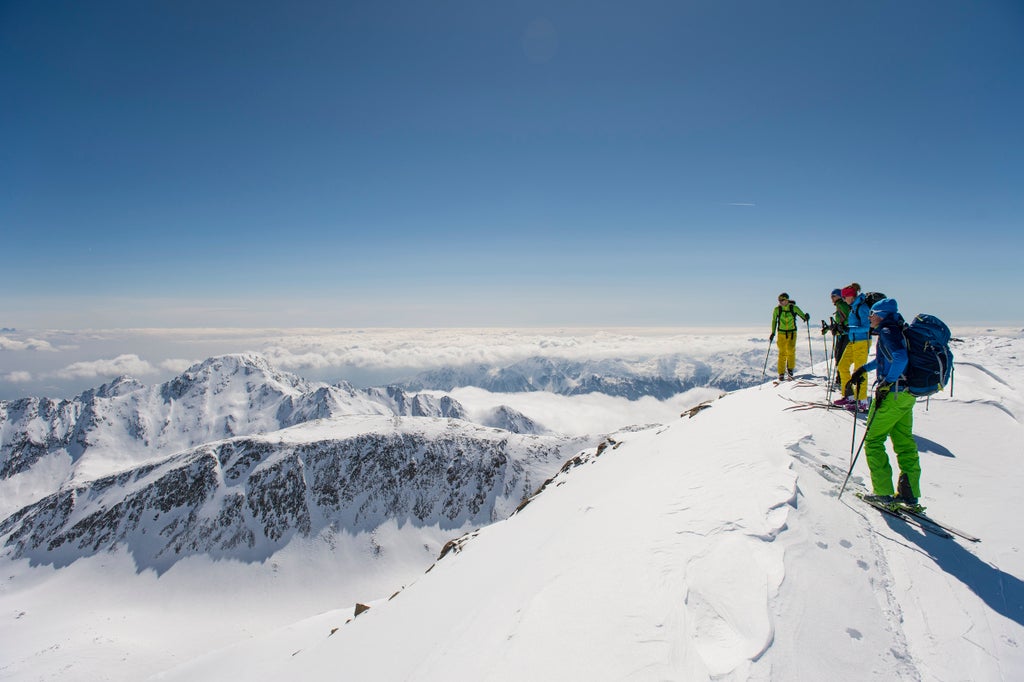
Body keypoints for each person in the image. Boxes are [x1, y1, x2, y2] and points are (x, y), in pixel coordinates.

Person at [849, 298, 921, 507]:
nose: (869, 317)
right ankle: (910, 493)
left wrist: (886, 384)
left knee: (873, 440)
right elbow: (883, 360)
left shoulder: (888, 332)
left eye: (872, 314)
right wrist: (863, 369)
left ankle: (882, 491)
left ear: (880, 314)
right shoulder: (897, 329)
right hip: (906, 396)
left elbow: (899, 359)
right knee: (904, 443)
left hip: (893, 395)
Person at [834, 286, 871, 410]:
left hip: (862, 342)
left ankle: (862, 401)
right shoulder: (854, 308)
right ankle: (849, 396)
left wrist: (849, 329)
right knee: (842, 366)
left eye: (845, 297)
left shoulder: (862, 307)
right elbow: (852, 327)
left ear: (851, 295)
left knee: (859, 371)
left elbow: (867, 327)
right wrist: (841, 330)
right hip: (853, 341)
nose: (844, 300)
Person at [770, 292, 810, 382]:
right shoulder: (777, 309)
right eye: (779, 300)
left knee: (791, 350)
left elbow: (802, 316)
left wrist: (806, 317)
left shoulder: (794, 308)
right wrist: (773, 332)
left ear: (787, 300)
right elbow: (774, 321)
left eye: (782, 300)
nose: (780, 302)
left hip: (792, 333)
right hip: (781, 333)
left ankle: (790, 370)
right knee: (782, 352)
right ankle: (781, 373)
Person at [825, 288, 850, 389]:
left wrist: (840, 328)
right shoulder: (841, 305)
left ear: (839, 296)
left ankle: (840, 381)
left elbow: (847, 320)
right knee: (839, 357)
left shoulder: (841, 305)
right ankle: (840, 380)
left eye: (833, 296)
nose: (832, 299)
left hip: (844, 335)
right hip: (843, 335)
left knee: (840, 357)